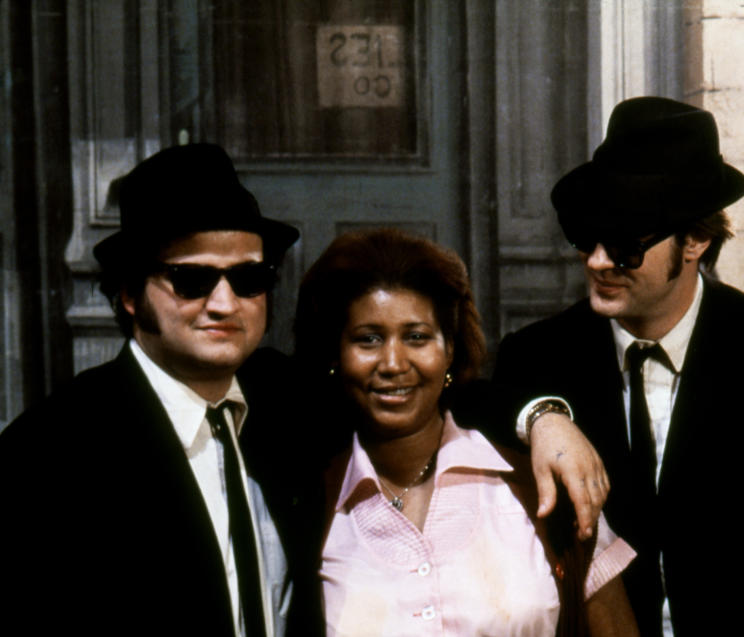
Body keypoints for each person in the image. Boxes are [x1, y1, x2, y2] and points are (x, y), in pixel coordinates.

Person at [0, 144, 608, 637]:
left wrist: (543, 419)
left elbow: (424, 391)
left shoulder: (279, 400)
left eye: (248, 277)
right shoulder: (54, 449)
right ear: (130, 295)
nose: (223, 302)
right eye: (191, 279)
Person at [490, 97, 744, 636]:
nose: (597, 262)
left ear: (695, 240)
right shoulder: (537, 355)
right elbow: (467, 399)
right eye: (587, 239)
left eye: (624, 246)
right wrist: (543, 417)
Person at [294, 228, 639, 637]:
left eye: (417, 337)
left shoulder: (537, 487)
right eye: (368, 339)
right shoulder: (308, 506)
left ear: (451, 349)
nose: (392, 362)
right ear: (337, 354)